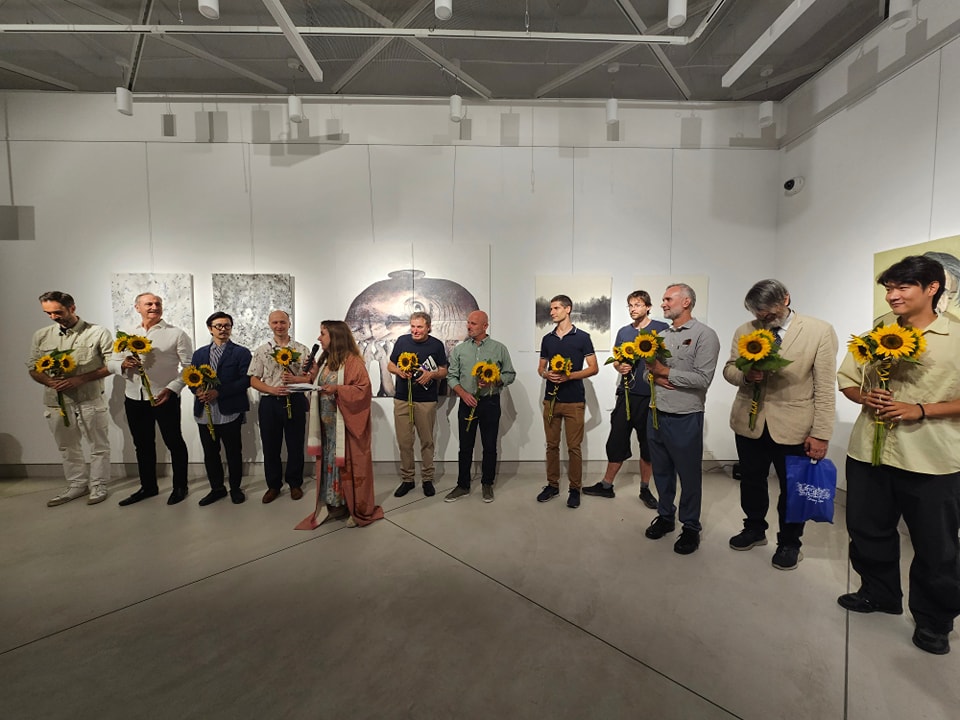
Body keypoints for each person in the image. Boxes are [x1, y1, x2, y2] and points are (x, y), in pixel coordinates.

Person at [837, 255, 960, 655]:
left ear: (932, 288)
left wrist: (920, 409)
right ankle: (879, 593)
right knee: (867, 529)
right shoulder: (878, 332)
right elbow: (847, 379)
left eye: (902, 287)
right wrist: (865, 397)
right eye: (889, 288)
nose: (892, 296)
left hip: (932, 458)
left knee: (936, 547)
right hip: (869, 452)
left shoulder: (956, 336)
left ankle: (934, 621)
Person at [722, 280, 838, 570]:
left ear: (785, 299)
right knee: (751, 481)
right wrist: (746, 376)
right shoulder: (745, 330)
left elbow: (825, 388)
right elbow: (730, 368)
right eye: (757, 312)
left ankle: (789, 542)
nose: (763, 317)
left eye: (768, 311)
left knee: (793, 488)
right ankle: (754, 528)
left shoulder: (819, 331)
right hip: (749, 423)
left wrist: (821, 434)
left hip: (795, 426)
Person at [644, 283, 720, 555]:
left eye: (668, 299)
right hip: (656, 413)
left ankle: (690, 526)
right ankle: (665, 516)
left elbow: (703, 379)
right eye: (663, 299)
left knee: (689, 476)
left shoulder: (705, 335)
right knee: (662, 472)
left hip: (685, 416)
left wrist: (664, 372)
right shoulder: (659, 336)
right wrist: (657, 377)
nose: (662, 303)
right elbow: (647, 373)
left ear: (686, 302)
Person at [582, 290, 667, 508]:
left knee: (647, 444)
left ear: (648, 307)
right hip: (626, 393)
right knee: (616, 439)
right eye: (630, 305)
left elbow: (668, 360)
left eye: (637, 305)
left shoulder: (661, 329)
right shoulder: (624, 332)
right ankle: (606, 485)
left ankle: (645, 489)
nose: (633, 309)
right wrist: (620, 366)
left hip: (650, 396)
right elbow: (617, 360)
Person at [28, 291, 113, 506]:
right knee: (67, 446)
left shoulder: (97, 332)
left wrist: (80, 379)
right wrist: (50, 382)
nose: (53, 317)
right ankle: (77, 484)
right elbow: (33, 367)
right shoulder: (42, 335)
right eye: (48, 313)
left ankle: (98, 484)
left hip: (89, 398)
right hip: (56, 402)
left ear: (72, 308)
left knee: (98, 445)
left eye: (58, 312)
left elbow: (111, 365)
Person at [298, 320, 384, 528]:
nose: (319, 338)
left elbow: (363, 391)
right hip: (327, 429)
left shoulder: (353, 362)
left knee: (348, 467)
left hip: (344, 428)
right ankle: (335, 504)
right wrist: (314, 374)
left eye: (323, 334)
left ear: (335, 337)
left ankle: (355, 507)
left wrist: (338, 389)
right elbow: (322, 385)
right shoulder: (325, 360)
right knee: (330, 466)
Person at [109, 292, 192, 506]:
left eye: (158, 303)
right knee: (142, 445)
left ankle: (180, 486)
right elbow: (111, 362)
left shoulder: (176, 334)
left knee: (174, 442)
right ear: (137, 307)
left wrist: (172, 389)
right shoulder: (127, 334)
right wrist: (122, 364)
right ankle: (148, 487)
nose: (154, 307)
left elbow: (189, 368)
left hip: (164, 397)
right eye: (149, 304)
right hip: (133, 397)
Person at [444, 311, 517, 504]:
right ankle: (463, 485)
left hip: (490, 402)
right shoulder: (459, 350)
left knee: (490, 445)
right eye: (468, 323)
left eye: (473, 323)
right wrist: (463, 394)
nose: (469, 326)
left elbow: (510, 374)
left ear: (485, 326)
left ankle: (487, 484)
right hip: (466, 402)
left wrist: (495, 380)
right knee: (465, 446)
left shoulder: (499, 348)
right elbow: (451, 376)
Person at [536, 294, 599, 509]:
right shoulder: (547, 339)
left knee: (574, 447)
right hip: (551, 401)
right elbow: (541, 368)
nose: (551, 312)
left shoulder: (582, 337)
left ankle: (574, 489)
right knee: (551, 446)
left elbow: (593, 368)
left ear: (568, 309)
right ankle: (552, 485)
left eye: (556, 308)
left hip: (574, 401)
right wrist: (546, 374)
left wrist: (569, 376)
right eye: (550, 309)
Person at [248, 310, 313, 503]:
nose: (279, 326)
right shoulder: (262, 350)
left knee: (295, 444)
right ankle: (273, 485)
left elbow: (311, 377)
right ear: (269, 325)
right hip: (270, 402)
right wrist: (271, 389)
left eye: (283, 322)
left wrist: (296, 379)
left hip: (295, 400)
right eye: (275, 322)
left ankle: (295, 483)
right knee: (270, 446)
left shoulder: (302, 349)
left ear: (289, 324)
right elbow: (253, 379)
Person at [189, 312, 251, 506]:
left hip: (229, 412)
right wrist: (197, 391)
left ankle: (235, 488)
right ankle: (217, 489)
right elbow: (191, 377)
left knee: (233, 452)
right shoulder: (199, 354)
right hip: (204, 412)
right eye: (218, 326)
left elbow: (245, 380)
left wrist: (219, 392)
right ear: (210, 328)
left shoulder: (241, 352)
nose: (223, 329)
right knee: (210, 453)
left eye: (227, 326)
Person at [387, 312, 448, 498]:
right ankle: (408, 480)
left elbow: (444, 370)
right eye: (413, 326)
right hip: (402, 399)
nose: (415, 330)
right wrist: (399, 371)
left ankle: (427, 479)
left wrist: (432, 374)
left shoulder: (436, 345)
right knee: (404, 442)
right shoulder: (402, 341)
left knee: (427, 442)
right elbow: (390, 365)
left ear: (428, 327)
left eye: (419, 327)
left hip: (426, 401)